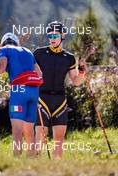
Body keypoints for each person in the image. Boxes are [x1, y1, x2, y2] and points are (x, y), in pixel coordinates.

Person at [34, 21, 87, 159]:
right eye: (50, 35)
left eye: (55, 35)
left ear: (63, 36)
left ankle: (57, 169)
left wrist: (82, 72)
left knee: (59, 141)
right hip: (42, 99)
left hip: (60, 101)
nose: (51, 38)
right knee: (39, 137)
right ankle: (34, 168)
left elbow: (76, 81)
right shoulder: (39, 54)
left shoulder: (69, 58)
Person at [0, 33, 43, 157]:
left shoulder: (4, 49)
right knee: (29, 130)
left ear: (3, 43)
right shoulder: (28, 51)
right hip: (33, 91)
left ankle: (17, 159)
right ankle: (31, 160)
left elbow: (1, 68)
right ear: (16, 42)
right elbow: (39, 73)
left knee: (17, 130)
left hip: (18, 91)